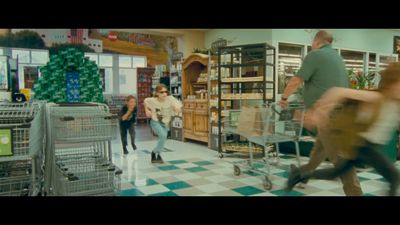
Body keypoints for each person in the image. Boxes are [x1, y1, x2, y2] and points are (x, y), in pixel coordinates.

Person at [286, 62, 400, 196]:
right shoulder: (377, 97)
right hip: (364, 147)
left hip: (365, 147)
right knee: (394, 177)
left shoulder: (396, 103)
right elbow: (337, 92)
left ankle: (298, 175)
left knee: (334, 173)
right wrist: (317, 113)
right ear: (391, 84)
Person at [279, 30, 363, 196]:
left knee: (341, 161)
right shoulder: (338, 58)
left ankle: (355, 193)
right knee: (319, 151)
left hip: (328, 117)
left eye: (312, 42)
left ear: (317, 41)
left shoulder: (315, 55)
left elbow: (296, 80)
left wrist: (284, 98)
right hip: (339, 114)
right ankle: (301, 175)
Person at [144, 84, 182, 163]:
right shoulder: (153, 100)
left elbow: (177, 106)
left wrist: (176, 108)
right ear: (157, 93)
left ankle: (157, 155)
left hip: (165, 123)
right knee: (163, 135)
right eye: (162, 92)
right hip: (155, 122)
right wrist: (147, 110)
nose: (164, 94)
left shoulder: (170, 99)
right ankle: (154, 152)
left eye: (166, 92)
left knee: (163, 139)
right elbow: (145, 101)